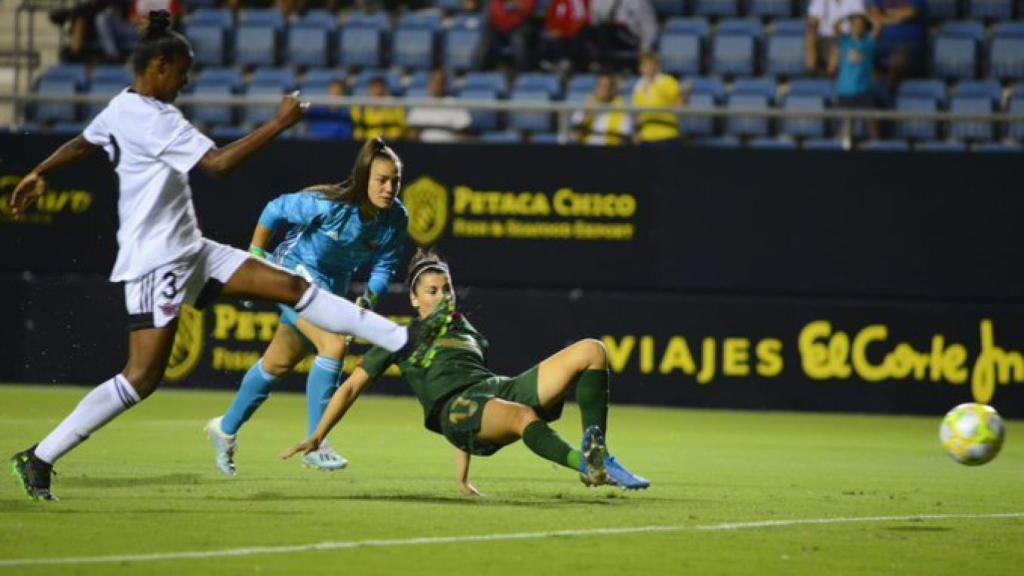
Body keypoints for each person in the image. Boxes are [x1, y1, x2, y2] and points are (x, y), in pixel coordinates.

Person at [8, 11, 447, 502]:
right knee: (142, 377)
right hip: (157, 261)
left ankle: (398, 338)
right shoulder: (158, 119)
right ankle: (40, 456)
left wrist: (39, 170)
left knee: (293, 287)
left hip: (191, 249)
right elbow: (217, 165)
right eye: (182, 71)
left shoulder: (121, 106)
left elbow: (82, 141)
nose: (186, 80)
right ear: (160, 66)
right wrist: (279, 124)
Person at [282, 250, 650, 495]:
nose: (443, 296)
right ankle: (585, 464)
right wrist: (318, 435)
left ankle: (598, 454)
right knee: (523, 416)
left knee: (592, 350)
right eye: (432, 290)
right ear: (414, 299)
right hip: (457, 409)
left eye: (447, 289)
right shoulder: (400, 338)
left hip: (493, 391)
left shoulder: (468, 332)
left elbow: (481, 396)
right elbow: (350, 389)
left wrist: (463, 477)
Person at [206, 137, 409, 475]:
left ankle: (224, 429)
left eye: (395, 181)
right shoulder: (331, 204)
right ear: (364, 178)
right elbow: (274, 209)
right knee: (333, 344)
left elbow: (386, 266)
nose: (389, 188)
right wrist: (254, 260)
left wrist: (369, 298)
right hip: (290, 274)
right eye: (381, 180)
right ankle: (317, 443)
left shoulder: (396, 219)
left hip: (329, 288)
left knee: (279, 364)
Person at [829, 13, 881, 140]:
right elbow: (835, 27)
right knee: (844, 125)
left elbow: (878, 26)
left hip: (864, 90)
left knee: (872, 123)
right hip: (845, 90)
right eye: (854, 25)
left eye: (860, 25)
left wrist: (865, 16)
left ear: (865, 28)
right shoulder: (845, 41)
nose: (856, 28)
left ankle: (878, 148)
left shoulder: (869, 43)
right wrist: (847, 16)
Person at [867, 0, 926, 94]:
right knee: (863, 57)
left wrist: (885, 16)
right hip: (881, 45)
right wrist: (896, 17)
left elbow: (909, 14)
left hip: (909, 45)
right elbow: (874, 14)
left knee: (897, 60)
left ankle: (890, 95)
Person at [406, 70, 472, 143]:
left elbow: (463, 133)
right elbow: (413, 134)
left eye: (439, 82)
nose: (436, 85)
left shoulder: (455, 104)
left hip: (450, 148)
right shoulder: (420, 105)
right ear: (428, 84)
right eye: (433, 82)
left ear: (445, 85)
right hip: (424, 149)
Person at [632, 52, 684, 143]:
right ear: (641, 68)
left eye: (652, 65)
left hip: (668, 135)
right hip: (646, 137)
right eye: (646, 65)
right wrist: (638, 133)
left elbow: (681, 100)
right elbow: (638, 115)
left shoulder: (667, 81)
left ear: (657, 66)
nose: (649, 68)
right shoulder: (638, 87)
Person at [805, 0, 866, 76]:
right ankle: (811, 71)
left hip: (845, 39)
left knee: (838, 40)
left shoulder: (856, 1)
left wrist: (839, 32)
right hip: (824, 38)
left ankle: (830, 74)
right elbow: (813, 20)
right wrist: (813, 24)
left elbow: (859, 25)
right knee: (810, 37)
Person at [591, 0, 657, 69]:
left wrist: (645, 47)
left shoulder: (639, 2)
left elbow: (650, 27)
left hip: (631, 39)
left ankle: (606, 65)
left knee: (604, 31)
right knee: (590, 33)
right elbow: (594, 25)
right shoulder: (598, 1)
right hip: (607, 36)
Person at [571, 72, 633, 145]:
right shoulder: (586, 106)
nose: (604, 90)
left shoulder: (622, 108)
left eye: (607, 86)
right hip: (587, 150)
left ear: (613, 89)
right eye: (601, 86)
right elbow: (574, 136)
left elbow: (625, 137)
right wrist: (587, 113)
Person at [477, 0, 538, 72]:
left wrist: (517, 6)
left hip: (519, 25)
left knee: (519, 44)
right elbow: (494, 10)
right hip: (497, 24)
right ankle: (475, 74)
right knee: (484, 44)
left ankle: (524, 76)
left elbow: (527, 9)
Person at [351, 77, 408, 142]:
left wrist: (388, 136)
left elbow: (402, 127)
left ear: (386, 89)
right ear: (370, 89)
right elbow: (357, 128)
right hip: (365, 143)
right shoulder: (361, 107)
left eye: (381, 87)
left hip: (390, 143)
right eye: (376, 87)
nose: (378, 91)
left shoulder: (395, 105)